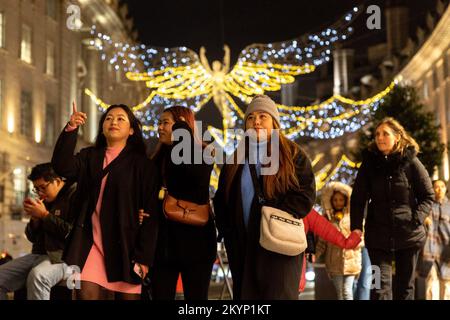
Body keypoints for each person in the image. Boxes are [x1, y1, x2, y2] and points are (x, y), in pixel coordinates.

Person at [213, 94, 316, 300]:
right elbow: (222, 198)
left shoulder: (293, 154)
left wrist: (274, 216)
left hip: (278, 243)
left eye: (263, 116)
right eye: (250, 117)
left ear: (274, 122)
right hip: (243, 245)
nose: (256, 121)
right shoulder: (235, 159)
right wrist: (227, 231)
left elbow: (306, 194)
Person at [51, 103, 159, 300]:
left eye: (120, 119)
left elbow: (151, 215)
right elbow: (62, 166)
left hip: (126, 247)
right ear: (102, 127)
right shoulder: (89, 156)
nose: (113, 122)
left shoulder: (143, 165)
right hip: (90, 243)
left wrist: (144, 259)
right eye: (108, 118)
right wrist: (71, 129)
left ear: (132, 130)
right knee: (86, 295)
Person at [350, 117, 434, 300]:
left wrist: (416, 219)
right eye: (377, 134)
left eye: (385, 134)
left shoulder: (411, 163)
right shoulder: (369, 165)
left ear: (397, 137)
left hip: (408, 236)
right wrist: (356, 227)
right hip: (377, 238)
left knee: (405, 289)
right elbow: (358, 199)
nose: (380, 137)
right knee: (378, 288)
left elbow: (428, 195)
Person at [146, 105, 216, 300]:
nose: (160, 127)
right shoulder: (157, 158)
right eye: (159, 123)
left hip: (197, 243)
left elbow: (195, 178)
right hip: (163, 245)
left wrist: (182, 134)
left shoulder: (202, 153)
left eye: (166, 123)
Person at [0, 163, 76, 300]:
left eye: (43, 187)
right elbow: (32, 237)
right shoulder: (45, 200)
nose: (40, 193)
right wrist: (35, 220)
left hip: (63, 257)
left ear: (57, 181)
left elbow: (73, 234)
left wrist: (45, 216)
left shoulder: (75, 195)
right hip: (38, 254)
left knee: (38, 276)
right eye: (36, 189)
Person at [315, 182, 362, 300]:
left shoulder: (352, 218)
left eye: (341, 199)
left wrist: (353, 243)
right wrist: (315, 254)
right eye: (335, 200)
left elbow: (362, 237)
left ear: (346, 200)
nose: (338, 202)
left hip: (351, 261)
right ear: (331, 201)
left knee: (347, 291)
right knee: (340, 293)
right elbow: (322, 241)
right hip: (334, 263)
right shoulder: (328, 220)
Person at [418, 179, 450, 300]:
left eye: (442, 186)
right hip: (429, 251)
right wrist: (424, 218)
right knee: (431, 285)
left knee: (446, 286)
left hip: (446, 252)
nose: (440, 189)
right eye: (436, 186)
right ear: (433, 189)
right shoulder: (427, 206)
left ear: (446, 189)